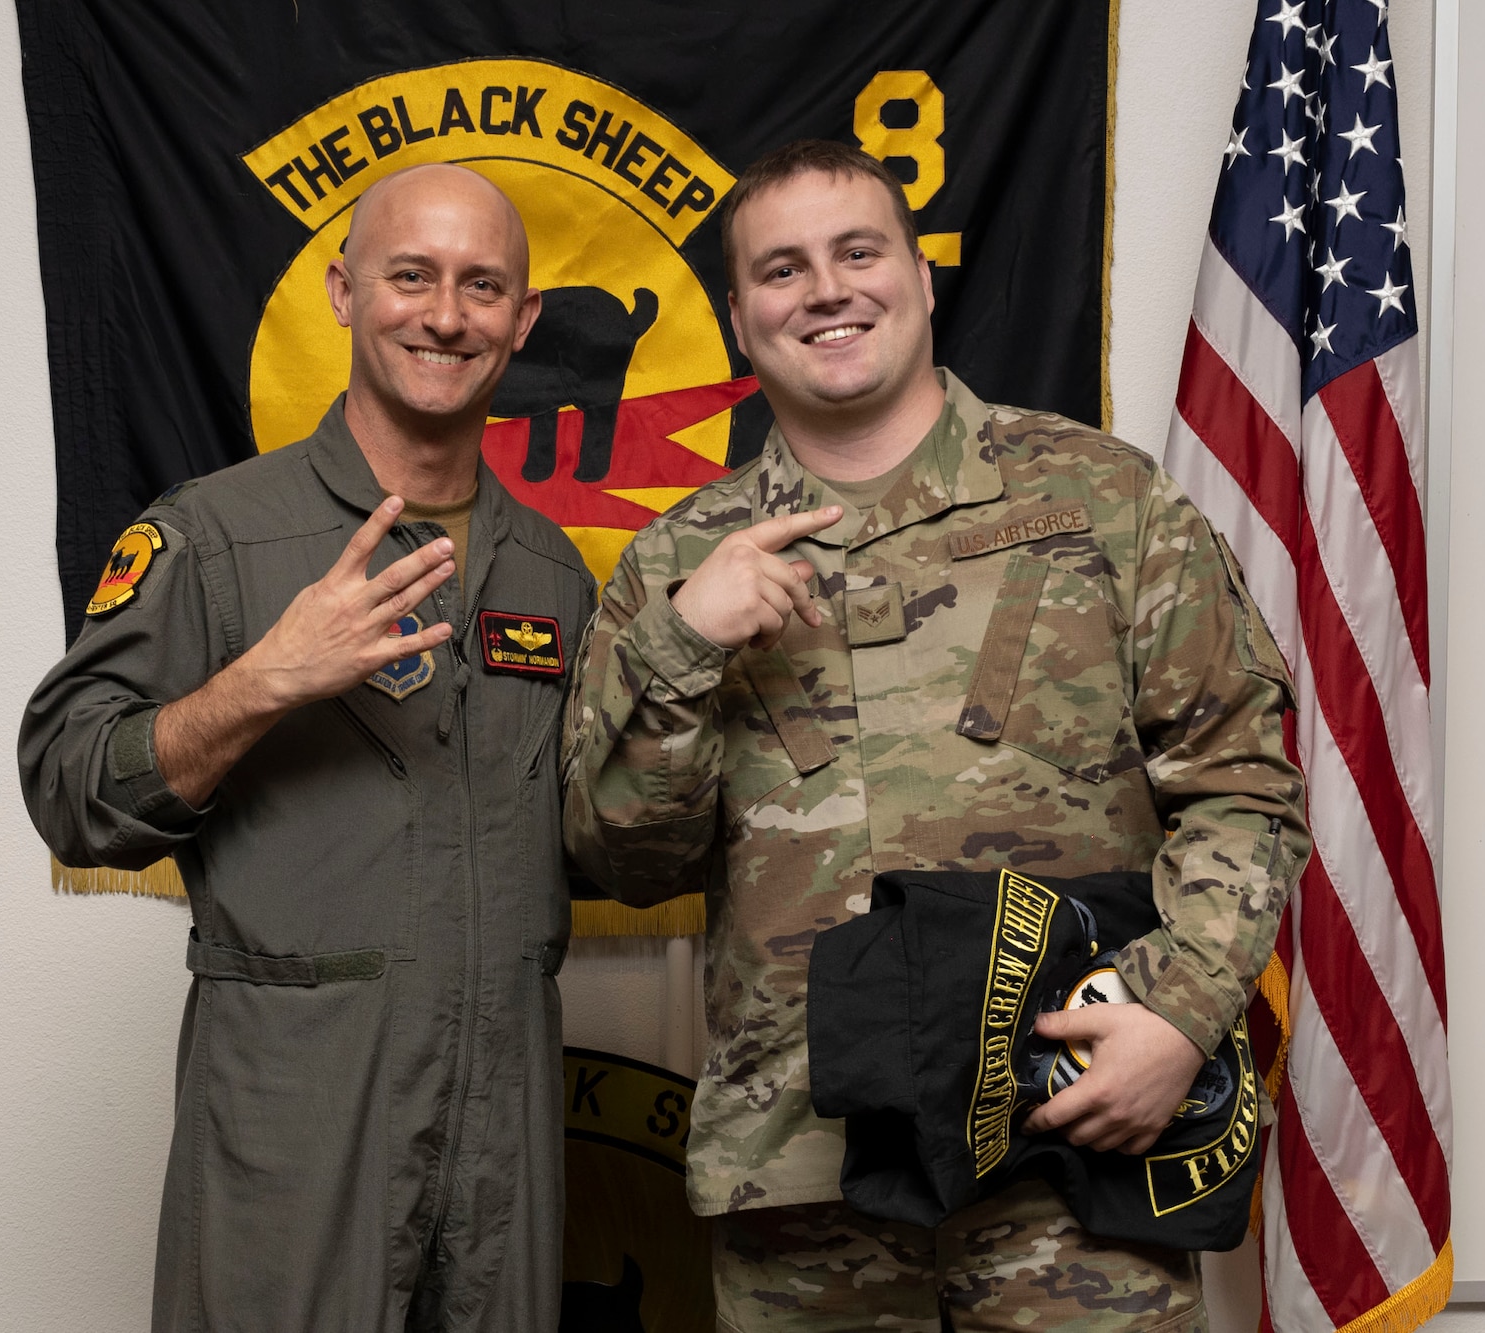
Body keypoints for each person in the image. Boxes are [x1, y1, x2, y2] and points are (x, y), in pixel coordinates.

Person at [561, 139, 1310, 1331]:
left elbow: (1243, 787)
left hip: (1067, 1154)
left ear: (917, 275)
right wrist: (685, 648)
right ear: (740, 319)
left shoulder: (1106, 499)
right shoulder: (674, 562)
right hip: (799, 1170)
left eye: (857, 252)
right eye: (781, 270)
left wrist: (1178, 1009)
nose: (825, 289)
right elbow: (624, 863)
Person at [20, 163, 596, 1333]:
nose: (445, 314)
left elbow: (600, 835)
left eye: (483, 285)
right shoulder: (216, 537)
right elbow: (69, 789)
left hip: (505, 1141)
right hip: (296, 1129)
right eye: (411, 276)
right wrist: (262, 679)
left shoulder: (552, 573)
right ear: (342, 291)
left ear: (522, 319)